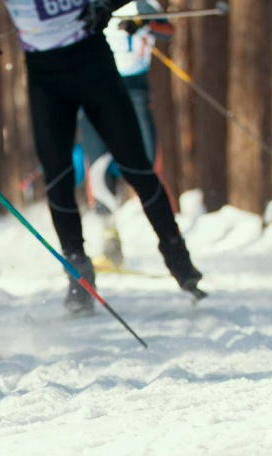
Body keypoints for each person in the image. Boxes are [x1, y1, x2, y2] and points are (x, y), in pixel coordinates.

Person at [0, 0, 204, 316]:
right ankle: (78, 275)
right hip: (46, 81)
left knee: (137, 168)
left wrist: (105, 5)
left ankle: (179, 259)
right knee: (58, 179)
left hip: (94, 66)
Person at [77, 0, 171, 269]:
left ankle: (170, 242)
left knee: (146, 160)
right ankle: (109, 240)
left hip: (134, 88)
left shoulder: (143, 4)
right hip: (95, 85)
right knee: (98, 163)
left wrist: (142, 23)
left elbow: (167, 30)